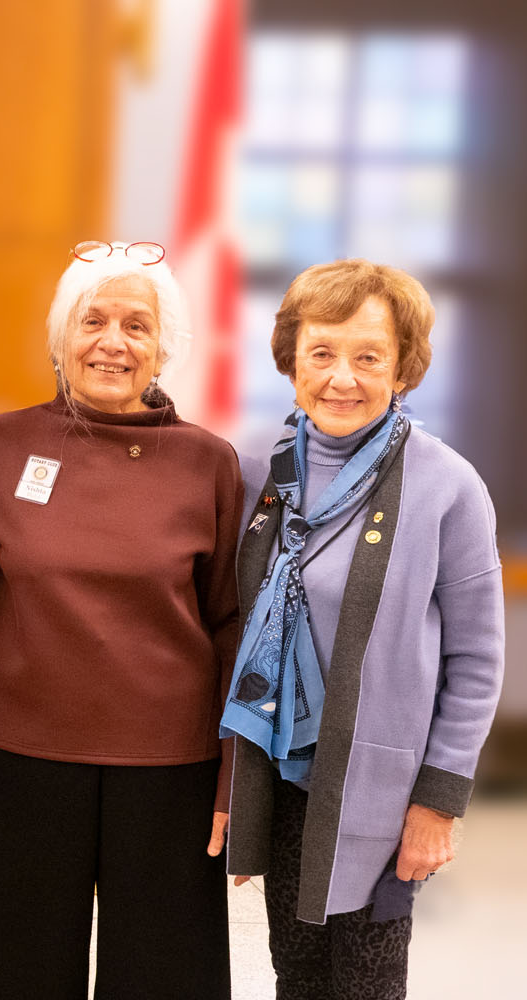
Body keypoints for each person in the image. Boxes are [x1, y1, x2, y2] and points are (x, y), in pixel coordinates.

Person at [0, 241, 240, 999]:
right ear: (60, 338)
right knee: (9, 975)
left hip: (169, 767)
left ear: (164, 347)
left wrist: (235, 773)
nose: (113, 342)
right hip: (14, 756)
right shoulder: (1, 444)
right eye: (93, 320)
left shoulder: (209, 463)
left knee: (165, 979)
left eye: (137, 326)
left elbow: (231, 624)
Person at [219, 259, 504, 999]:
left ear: (403, 369)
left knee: (367, 986)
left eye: (369, 357)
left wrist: (438, 802)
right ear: (291, 361)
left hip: (384, 790)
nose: (341, 378)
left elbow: (477, 660)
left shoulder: (448, 486)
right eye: (321, 353)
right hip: (283, 780)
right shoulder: (257, 473)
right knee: (297, 976)